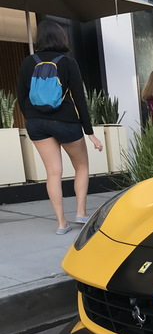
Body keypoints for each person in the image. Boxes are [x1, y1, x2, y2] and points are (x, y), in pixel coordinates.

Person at [17, 20, 103, 235]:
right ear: (61, 37)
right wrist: (90, 132)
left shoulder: (28, 62)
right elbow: (80, 100)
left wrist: (33, 119)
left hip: (36, 124)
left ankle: (61, 223)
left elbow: (21, 97)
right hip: (65, 122)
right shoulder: (68, 62)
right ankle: (81, 213)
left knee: (53, 172)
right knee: (81, 166)